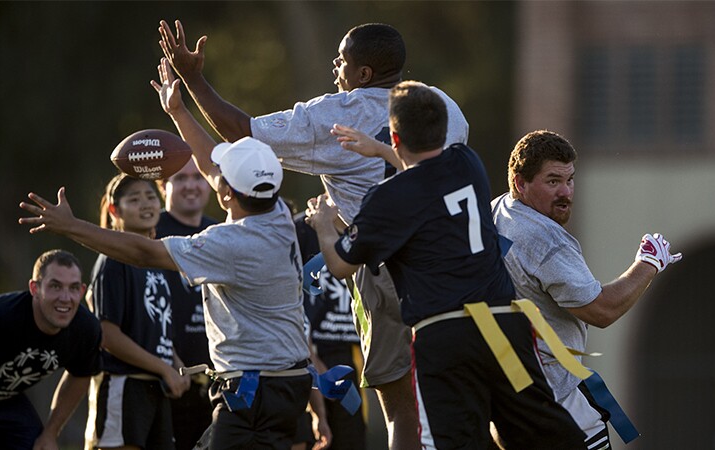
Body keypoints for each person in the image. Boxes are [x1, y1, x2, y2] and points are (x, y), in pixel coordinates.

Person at [158, 20, 468, 448]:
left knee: (400, 409)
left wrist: (192, 79)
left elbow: (241, 131)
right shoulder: (443, 105)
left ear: (364, 75)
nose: (335, 66)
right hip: (456, 262)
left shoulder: (337, 115)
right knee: (461, 396)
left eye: (343, 60)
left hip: (384, 267)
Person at [18, 60, 312, 449]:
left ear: (226, 194)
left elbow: (143, 252)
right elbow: (212, 167)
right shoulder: (275, 213)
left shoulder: (232, 243)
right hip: (287, 385)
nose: (213, 174)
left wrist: (71, 226)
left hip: (253, 391)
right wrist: (178, 111)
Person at [306, 81, 586, 449]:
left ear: (395, 136)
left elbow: (342, 266)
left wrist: (324, 224)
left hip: (446, 338)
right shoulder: (466, 163)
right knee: (544, 432)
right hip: (502, 326)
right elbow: (426, 173)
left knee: (459, 439)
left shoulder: (387, 198)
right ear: (443, 131)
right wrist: (381, 150)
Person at [490, 130, 683, 449]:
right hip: (557, 405)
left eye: (570, 180)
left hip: (508, 402)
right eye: (552, 181)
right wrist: (649, 263)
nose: (566, 192)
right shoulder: (545, 240)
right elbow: (601, 310)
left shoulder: (496, 211)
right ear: (520, 182)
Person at [0, 249, 102, 450]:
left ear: (82, 291)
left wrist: (50, 433)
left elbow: (81, 374)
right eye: (55, 286)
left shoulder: (86, 330)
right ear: (34, 288)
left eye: (73, 288)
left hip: (5, 400)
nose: (65, 298)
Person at [83, 173, 189, 450]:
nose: (146, 204)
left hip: (156, 389)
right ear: (114, 211)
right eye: (134, 199)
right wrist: (164, 369)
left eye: (151, 197)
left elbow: (158, 330)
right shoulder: (113, 260)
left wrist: (176, 364)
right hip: (124, 386)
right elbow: (108, 335)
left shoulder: (158, 260)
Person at [155, 160, 217, 450]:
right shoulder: (149, 231)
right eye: (180, 178)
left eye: (198, 177)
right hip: (164, 384)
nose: (191, 185)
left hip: (218, 385)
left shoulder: (220, 232)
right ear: (163, 185)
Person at [294, 212, 366, 450]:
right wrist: (310, 358)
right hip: (308, 356)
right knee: (316, 438)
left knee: (351, 437)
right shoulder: (303, 227)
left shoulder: (371, 217)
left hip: (352, 356)